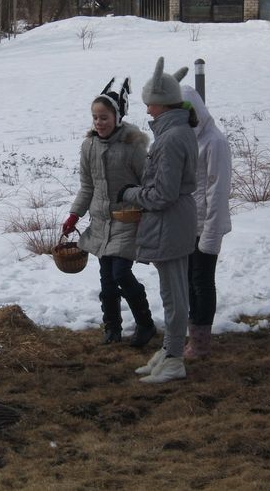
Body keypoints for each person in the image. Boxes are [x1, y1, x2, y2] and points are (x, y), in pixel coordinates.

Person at [119, 57, 198, 383]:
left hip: (170, 223)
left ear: (161, 102)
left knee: (174, 297)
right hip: (175, 222)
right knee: (173, 293)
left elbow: (162, 194)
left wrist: (130, 193)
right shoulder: (177, 131)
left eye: (150, 103)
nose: (147, 109)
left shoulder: (170, 138)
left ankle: (175, 358)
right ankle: (169, 351)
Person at [63, 78, 156, 347]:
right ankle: (112, 328)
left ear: (117, 117)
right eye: (95, 117)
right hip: (101, 223)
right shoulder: (88, 146)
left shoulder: (132, 146)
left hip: (127, 220)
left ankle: (145, 323)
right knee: (106, 280)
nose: (99, 122)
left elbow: (147, 182)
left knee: (120, 274)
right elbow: (87, 186)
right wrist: (74, 215)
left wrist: (144, 210)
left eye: (104, 117)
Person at [181, 85, 232, 359]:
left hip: (207, 226)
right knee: (190, 280)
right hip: (189, 225)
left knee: (202, 281)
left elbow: (218, 190)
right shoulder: (188, 141)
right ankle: (194, 337)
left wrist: (211, 235)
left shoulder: (215, 142)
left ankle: (201, 343)